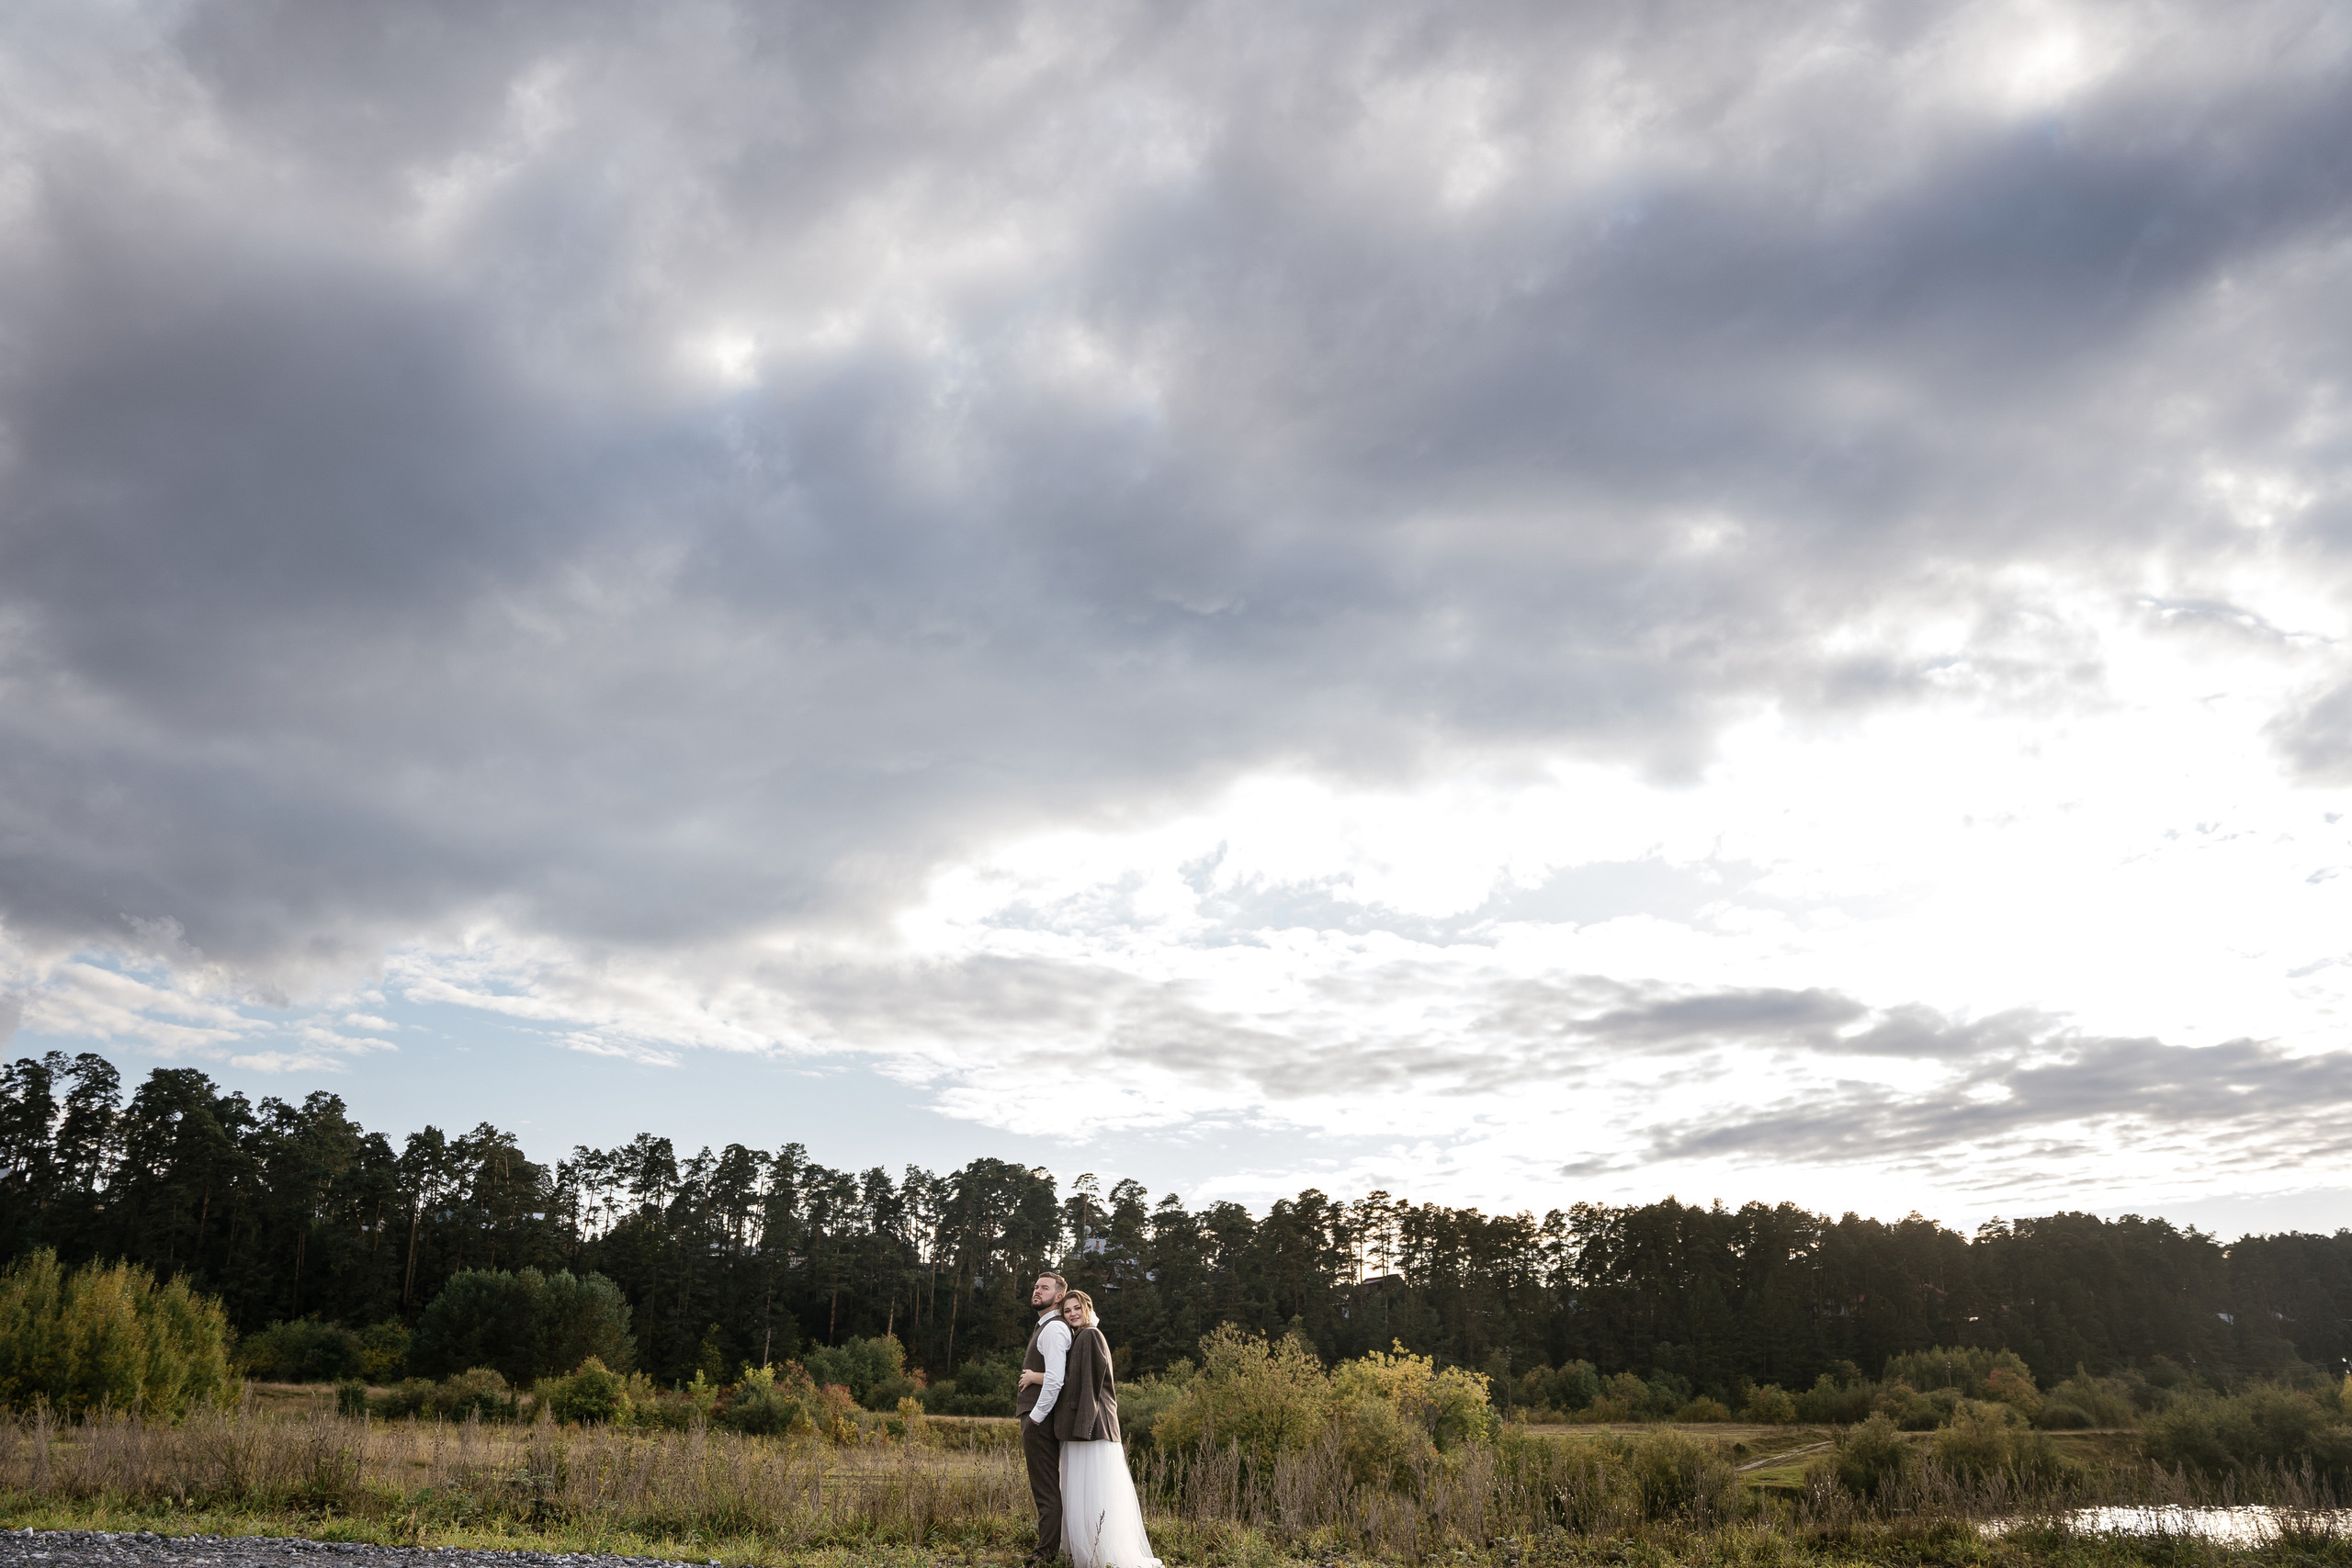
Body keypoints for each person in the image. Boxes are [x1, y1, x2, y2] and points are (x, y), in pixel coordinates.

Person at [1023, 1290, 1161, 1568]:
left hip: (1092, 1430)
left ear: (1088, 1309)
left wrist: (1083, 1427)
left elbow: (1088, 1385)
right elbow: (1072, 1379)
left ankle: (1101, 1554)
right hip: (1081, 1430)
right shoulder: (1079, 1338)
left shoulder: (1090, 1336)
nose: (1072, 1314)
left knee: (1096, 1493)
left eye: (1077, 1308)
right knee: (1083, 1493)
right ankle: (1086, 1549)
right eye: (1067, 1311)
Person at [1015, 1271, 1073, 1566]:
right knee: (1046, 1487)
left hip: (1040, 1419)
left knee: (1046, 1489)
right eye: (1036, 1286)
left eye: (1045, 1288)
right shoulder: (1046, 1327)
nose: (1037, 1291)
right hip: (1038, 1417)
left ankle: (1044, 1556)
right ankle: (1048, 1549)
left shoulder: (1053, 1329)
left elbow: (1055, 1381)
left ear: (1059, 1296)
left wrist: (1035, 1418)